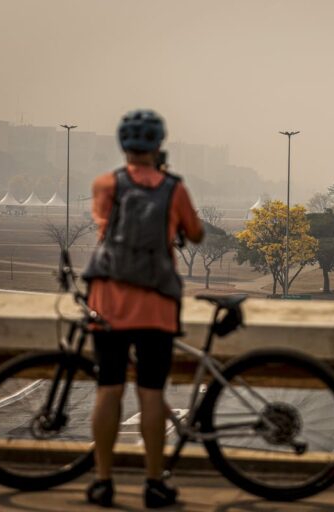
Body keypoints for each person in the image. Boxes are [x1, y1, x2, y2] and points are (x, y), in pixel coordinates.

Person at [82, 110, 203, 508]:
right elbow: (196, 233)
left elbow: (104, 228)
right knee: (151, 394)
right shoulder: (174, 188)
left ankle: (102, 482)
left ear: (124, 146)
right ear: (157, 145)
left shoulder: (107, 184)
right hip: (156, 305)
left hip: (109, 303)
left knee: (108, 389)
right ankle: (153, 483)